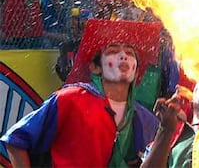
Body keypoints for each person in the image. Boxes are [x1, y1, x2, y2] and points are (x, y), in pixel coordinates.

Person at [0, 19, 167, 166]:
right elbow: (15, 140)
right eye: (113, 51)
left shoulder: (145, 119)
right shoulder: (70, 99)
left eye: (130, 53)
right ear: (95, 68)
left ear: (137, 72)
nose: (123, 56)